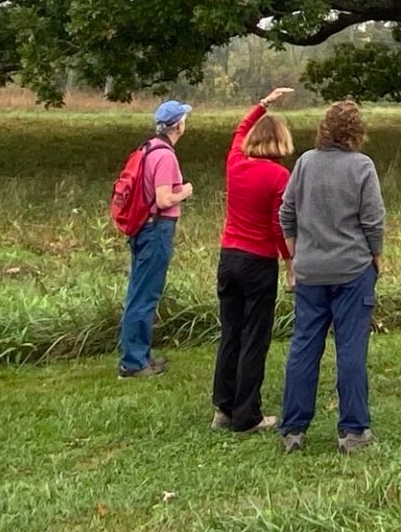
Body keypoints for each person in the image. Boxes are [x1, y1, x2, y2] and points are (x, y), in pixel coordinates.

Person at [277, 100, 387, 454]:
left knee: (304, 345)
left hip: (311, 270)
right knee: (351, 347)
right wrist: (377, 256)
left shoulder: (305, 162)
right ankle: (353, 430)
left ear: (324, 129)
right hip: (353, 268)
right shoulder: (362, 167)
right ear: (357, 131)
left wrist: (295, 255)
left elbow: (287, 212)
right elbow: (373, 219)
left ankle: (293, 428)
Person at [212, 85, 296, 432]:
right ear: (280, 143)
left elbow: (239, 132)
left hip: (228, 257)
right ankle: (248, 415)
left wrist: (261, 105)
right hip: (258, 262)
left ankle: (223, 408)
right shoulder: (279, 176)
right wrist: (290, 262)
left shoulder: (235, 163)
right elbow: (279, 227)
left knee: (231, 332)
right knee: (255, 337)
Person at [119, 100, 196, 378]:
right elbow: (164, 199)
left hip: (143, 227)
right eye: (184, 118)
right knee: (145, 296)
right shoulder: (165, 156)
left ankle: (139, 355)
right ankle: (134, 363)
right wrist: (185, 191)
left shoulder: (148, 148)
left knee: (138, 292)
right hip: (157, 229)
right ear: (178, 124)